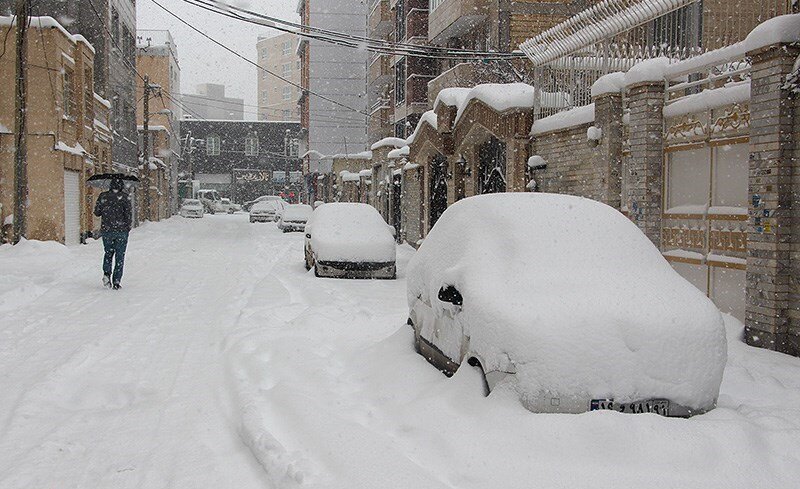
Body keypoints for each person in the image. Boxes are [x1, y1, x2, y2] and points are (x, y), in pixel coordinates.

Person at [93, 178, 132, 289]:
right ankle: (116, 281)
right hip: (121, 231)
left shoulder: (103, 196)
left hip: (107, 230)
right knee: (120, 256)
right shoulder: (125, 197)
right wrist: (127, 228)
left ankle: (106, 274)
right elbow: (128, 215)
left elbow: (97, 212)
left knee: (108, 253)